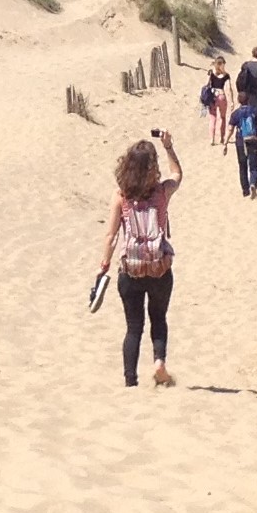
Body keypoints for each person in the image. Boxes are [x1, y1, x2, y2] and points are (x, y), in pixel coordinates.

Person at [95, 130, 183, 388]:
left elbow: (111, 236)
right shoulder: (162, 192)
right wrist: (169, 148)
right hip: (159, 269)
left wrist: (103, 266)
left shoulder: (121, 196)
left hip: (130, 271)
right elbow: (177, 175)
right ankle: (158, 363)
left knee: (133, 327)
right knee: (158, 318)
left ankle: (130, 381)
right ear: (153, 168)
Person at [231, 97, 257, 197]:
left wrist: (225, 142)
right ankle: (253, 184)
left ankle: (245, 190)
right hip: (253, 140)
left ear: (238, 101)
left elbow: (230, 129)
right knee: (254, 165)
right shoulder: (255, 111)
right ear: (248, 100)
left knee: (242, 166)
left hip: (240, 142)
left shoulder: (235, 114)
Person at [200, 57, 233, 147]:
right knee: (222, 117)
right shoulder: (226, 75)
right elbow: (229, 89)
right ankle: (222, 138)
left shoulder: (211, 72)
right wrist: (232, 101)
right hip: (222, 96)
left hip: (213, 97)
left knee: (212, 118)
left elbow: (206, 84)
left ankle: (212, 139)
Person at [235, 46, 257, 120]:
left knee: (248, 114)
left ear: (252, 54)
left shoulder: (246, 65)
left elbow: (240, 78)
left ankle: (248, 130)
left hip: (248, 93)